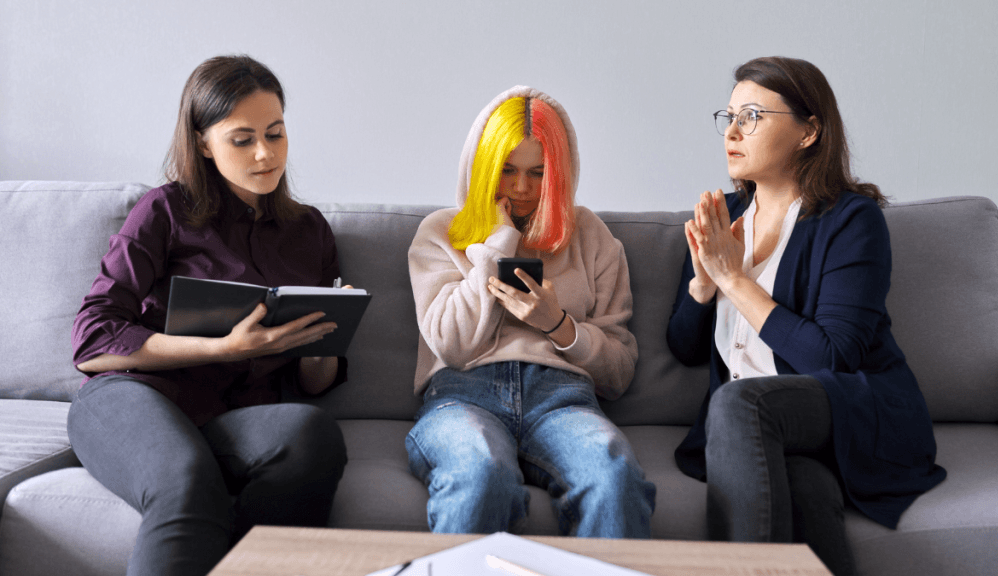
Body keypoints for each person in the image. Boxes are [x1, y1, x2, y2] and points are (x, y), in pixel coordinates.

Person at [666, 56, 947, 575]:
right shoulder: (720, 219)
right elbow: (682, 348)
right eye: (727, 117)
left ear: (808, 131)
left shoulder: (851, 220)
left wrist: (734, 280)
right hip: (766, 431)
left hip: (849, 406)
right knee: (805, 490)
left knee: (736, 404)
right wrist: (704, 285)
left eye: (751, 116)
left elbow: (835, 356)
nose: (732, 131)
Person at [69, 55, 347, 576]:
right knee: (186, 476)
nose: (265, 154)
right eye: (242, 139)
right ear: (203, 142)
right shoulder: (164, 211)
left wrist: (326, 338)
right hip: (133, 397)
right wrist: (222, 348)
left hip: (228, 418)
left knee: (313, 434)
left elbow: (314, 385)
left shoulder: (310, 231)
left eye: (276, 134)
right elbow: (91, 339)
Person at [406, 86, 656, 537]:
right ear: (483, 170)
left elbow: (618, 373)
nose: (521, 189)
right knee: (480, 476)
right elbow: (452, 346)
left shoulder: (592, 236)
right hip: (463, 394)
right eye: (506, 171)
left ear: (559, 174)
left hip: (562, 397)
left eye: (539, 173)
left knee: (612, 478)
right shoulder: (439, 233)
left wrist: (558, 326)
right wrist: (497, 244)